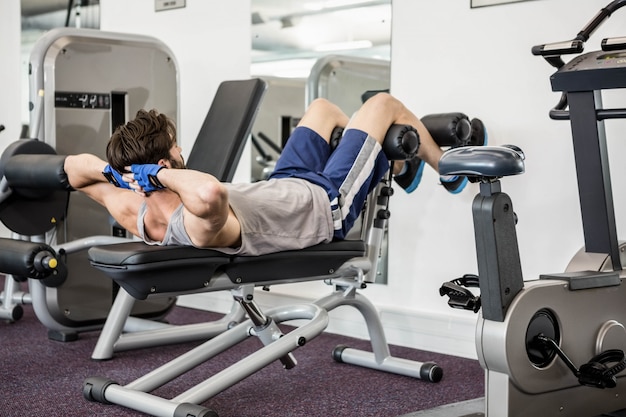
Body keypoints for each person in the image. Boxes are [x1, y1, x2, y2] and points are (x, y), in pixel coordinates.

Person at [64, 93, 481, 256]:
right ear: (166, 166)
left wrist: (112, 172)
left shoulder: (131, 207)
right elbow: (207, 192)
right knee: (382, 104)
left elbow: (73, 168)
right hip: (325, 203)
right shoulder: (193, 224)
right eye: (176, 150)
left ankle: (397, 167)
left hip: (287, 182)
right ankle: (445, 166)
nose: (181, 150)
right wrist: (157, 175)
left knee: (322, 109)